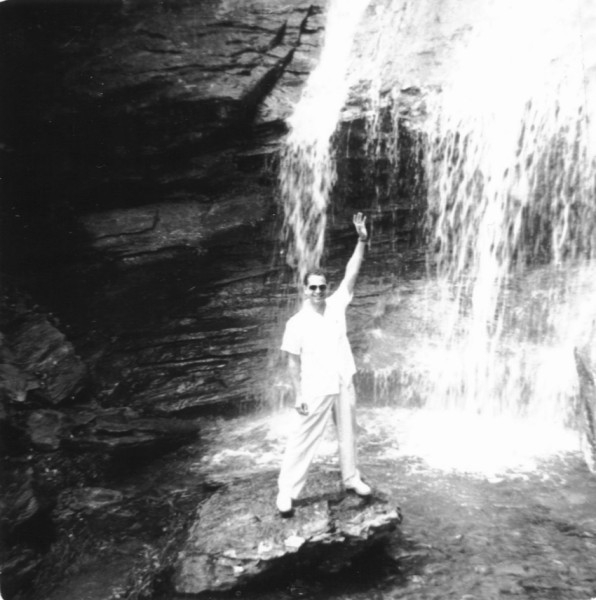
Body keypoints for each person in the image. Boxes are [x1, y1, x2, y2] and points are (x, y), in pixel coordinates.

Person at [276, 212, 372, 516]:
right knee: (302, 438)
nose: (318, 292)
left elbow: (351, 273)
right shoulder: (296, 323)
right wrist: (298, 395)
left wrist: (362, 240)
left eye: (322, 287)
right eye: (313, 287)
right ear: (305, 290)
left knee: (348, 432)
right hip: (316, 386)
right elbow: (292, 363)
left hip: (343, 379)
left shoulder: (336, 304)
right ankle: (287, 491)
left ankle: (351, 478)